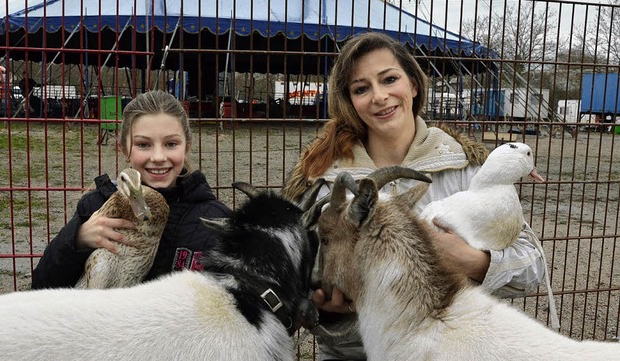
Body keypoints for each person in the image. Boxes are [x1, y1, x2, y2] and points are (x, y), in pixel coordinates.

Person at [282, 32, 546, 360]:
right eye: (361, 88)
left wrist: (475, 262)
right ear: (350, 102)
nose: (379, 96)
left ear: (414, 86)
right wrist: (333, 312)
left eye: (389, 79)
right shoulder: (324, 180)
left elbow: (532, 267)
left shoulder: (467, 168)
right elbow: (292, 284)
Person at [32, 90, 232, 289]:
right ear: (124, 149)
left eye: (171, 144)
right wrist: (76, 240)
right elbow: (43, 286)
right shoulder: (97, 206)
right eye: (143, 144)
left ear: (187, 146)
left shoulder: (213, 219)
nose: (158, 157)